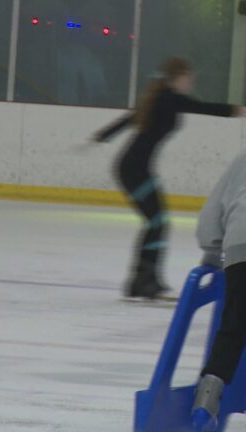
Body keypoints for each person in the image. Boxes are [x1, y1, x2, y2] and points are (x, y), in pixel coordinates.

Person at [92, 57, 246, 300]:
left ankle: (141, 280)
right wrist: (240, 110)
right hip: (133, 169)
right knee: (156, 222)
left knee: (156, 222)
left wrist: (102, 136)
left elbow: (129, 119)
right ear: (178, 77)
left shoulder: (159, 97)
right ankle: (143, 280)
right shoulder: (168, 98)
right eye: (189, 77)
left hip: (137, 168)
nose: (191, 82)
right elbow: (205, 108)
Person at [191, 150, 246, 430]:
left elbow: (211, 214)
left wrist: (212, 253)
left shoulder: (241, 159)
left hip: (240, 246)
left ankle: (205, 404)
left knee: (233, 328)